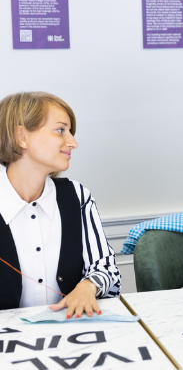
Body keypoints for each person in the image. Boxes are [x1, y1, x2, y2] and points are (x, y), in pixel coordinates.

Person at [0, 92, 121, 313]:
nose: (73, 143)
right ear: (21, 136)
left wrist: (89, 285)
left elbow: (107, 268)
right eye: (60, 130)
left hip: (69, 334)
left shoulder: (77, 195)